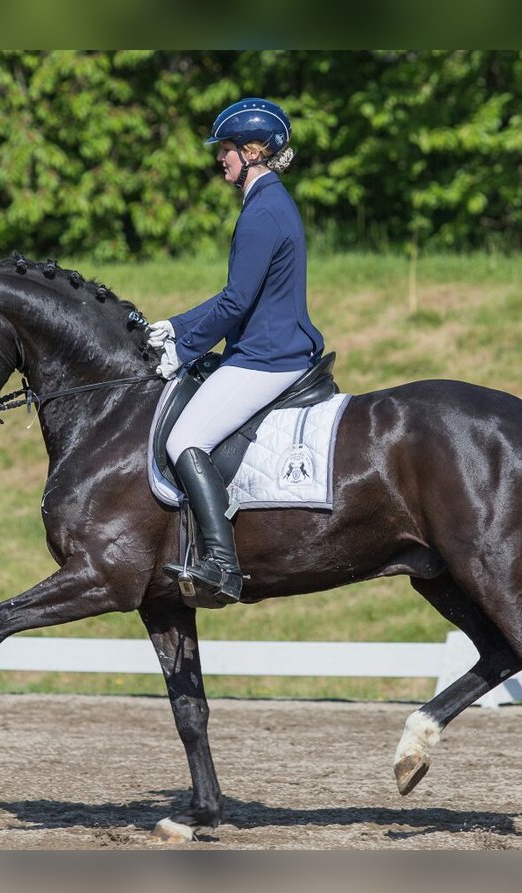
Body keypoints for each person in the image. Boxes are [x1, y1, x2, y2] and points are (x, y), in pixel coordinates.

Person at [146, 97, 325, 605]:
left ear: (252, 151)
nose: (219, 158)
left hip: (268, 356)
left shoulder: (264, 211)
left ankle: (221, 565)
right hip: (265, 346)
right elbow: (236, 298)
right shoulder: (269, 202)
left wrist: (182, 347)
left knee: (185, 439)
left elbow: (236, 301)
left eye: (225, 149)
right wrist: (174, 325)